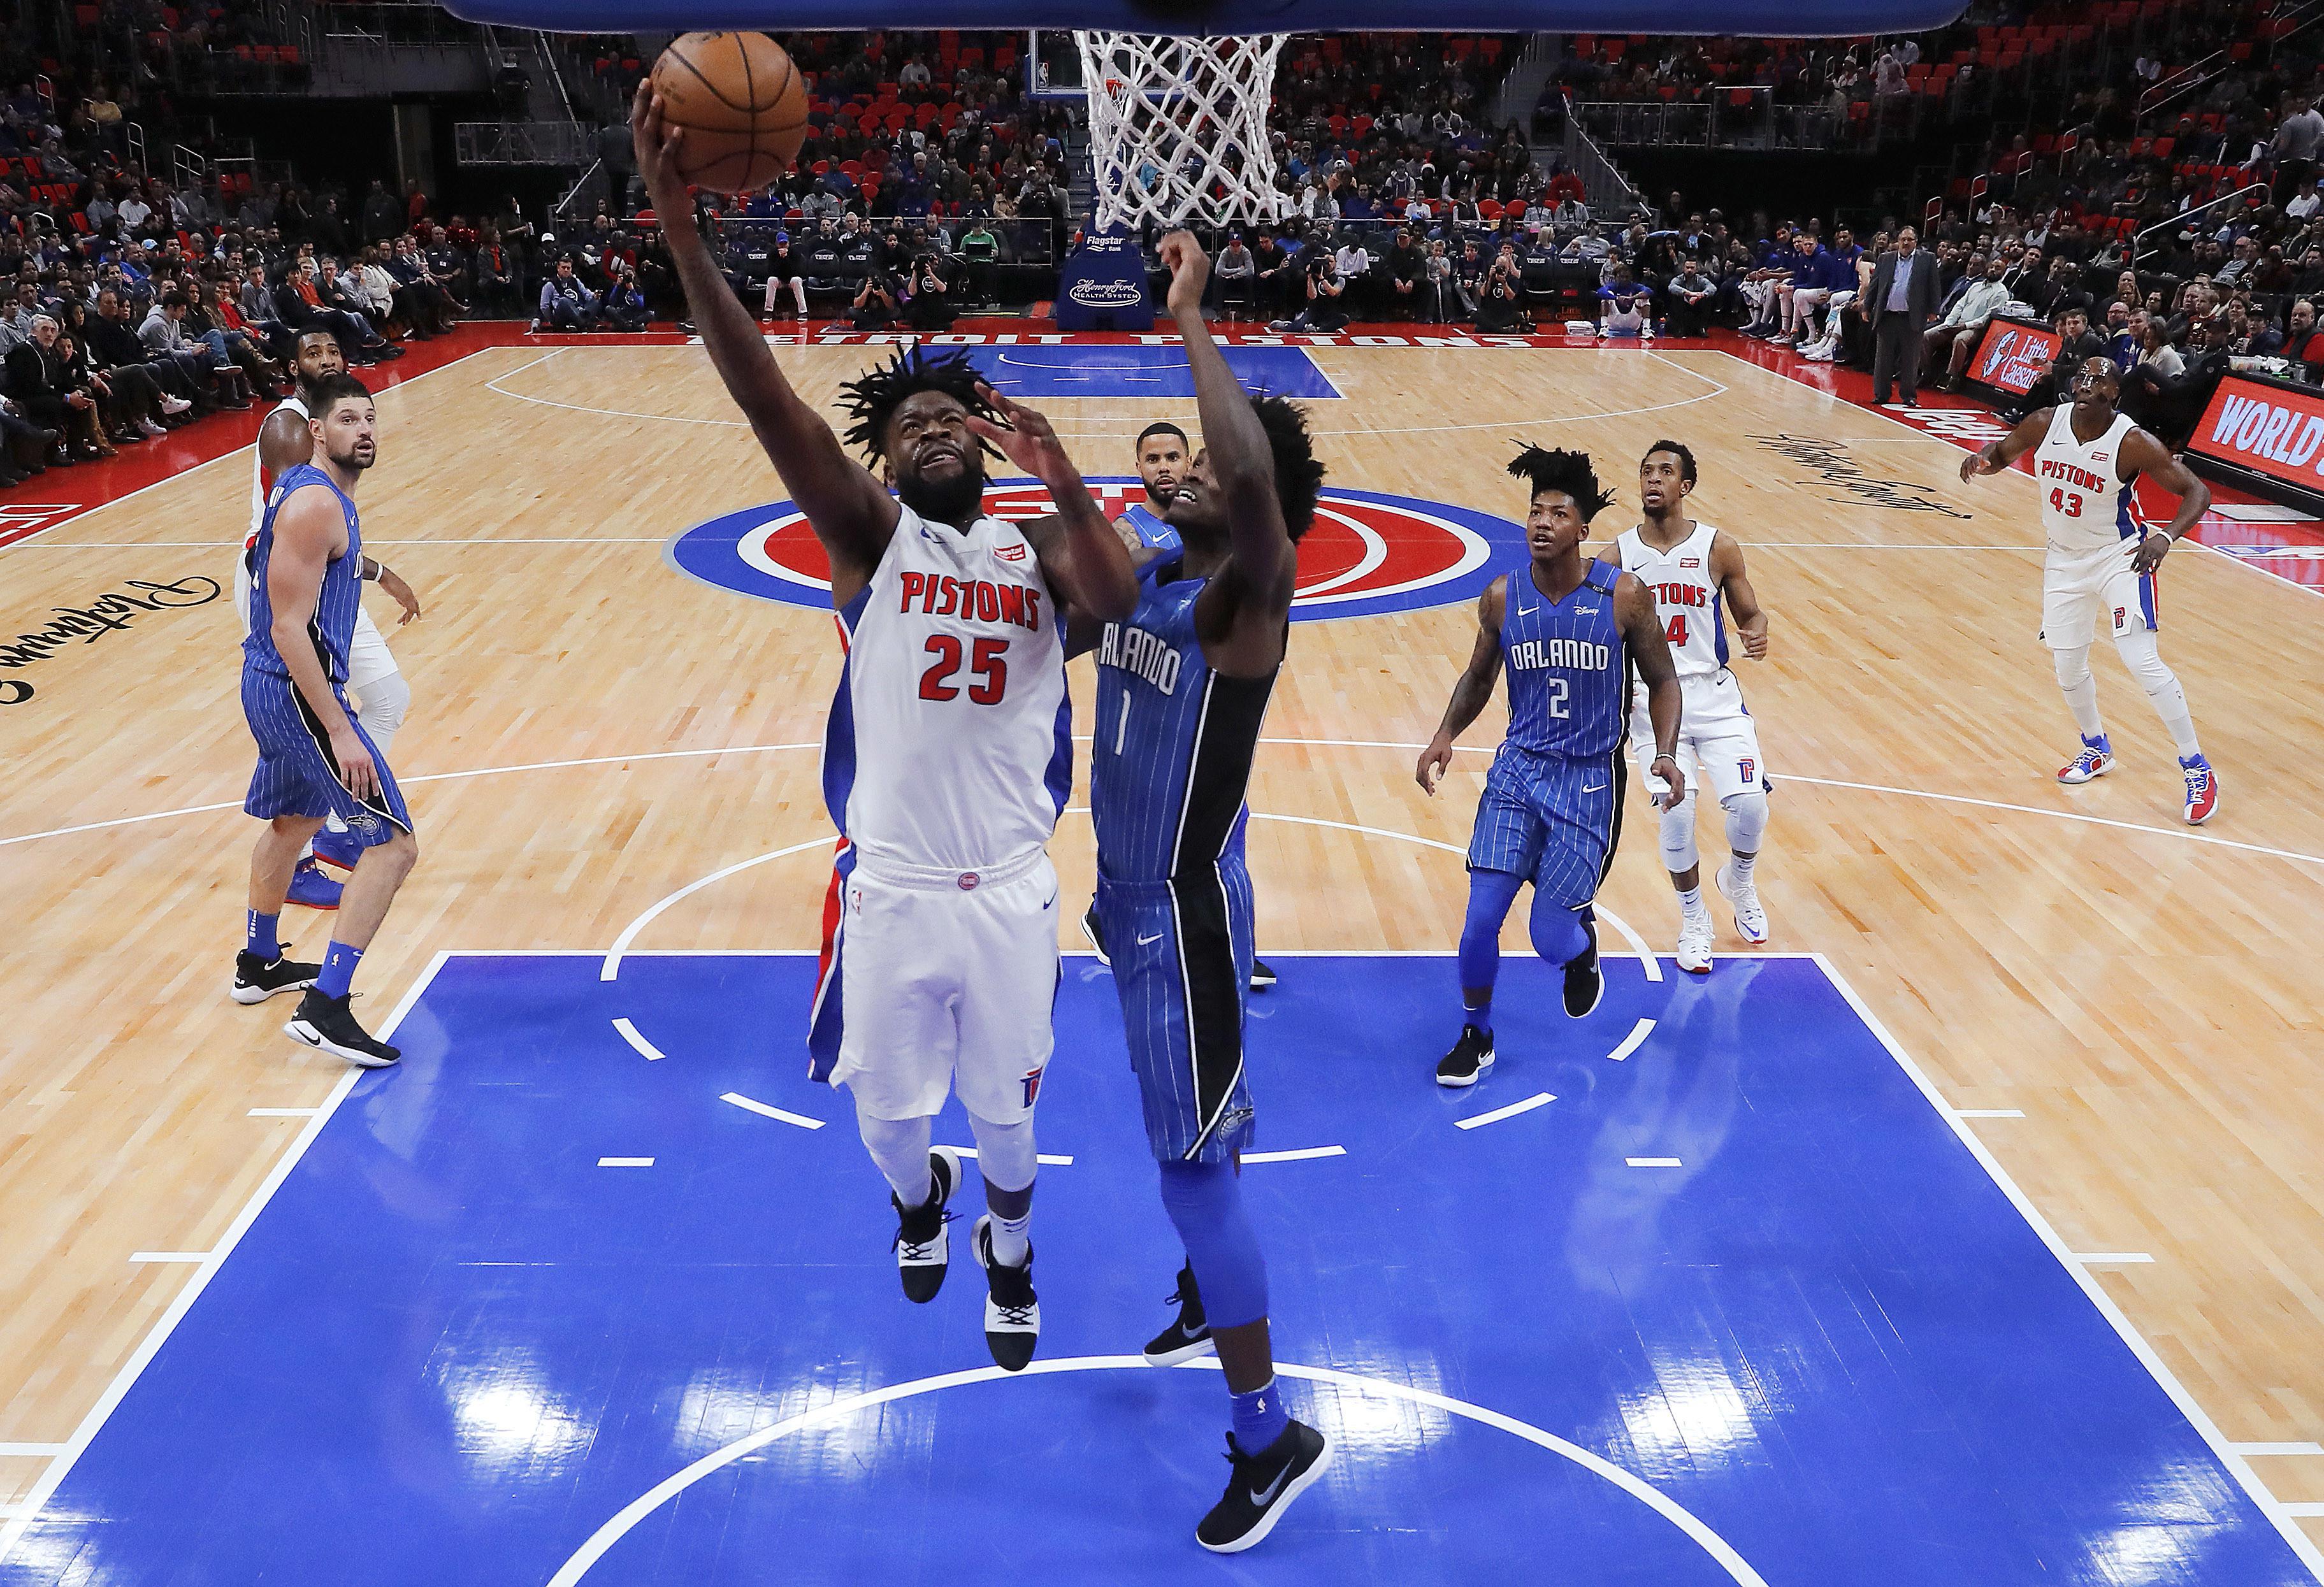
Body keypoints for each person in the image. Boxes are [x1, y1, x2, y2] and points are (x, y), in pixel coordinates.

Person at [633, 83, 1139, 1365]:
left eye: (946, 419)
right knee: (888, 1120)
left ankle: (1010, 1254)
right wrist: (681, 227)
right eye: (906, 426)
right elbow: (769, 400)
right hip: (896, 887)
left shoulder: (1040, 550)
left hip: (1010, 887)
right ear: (886, 461)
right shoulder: (873, 539)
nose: (927, 433)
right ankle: (920, 1205)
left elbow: (1120, 596)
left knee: (1010, 1120)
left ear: (982, 442)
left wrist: (1064, 475)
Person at [1090, 231, 1332, 1553]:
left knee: (1190, 1173)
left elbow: (1245, 483)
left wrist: (1190, 317)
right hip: (1128, 906)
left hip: (1179, 914)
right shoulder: (1148, 577)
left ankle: (1265, 1434)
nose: (1178, 471)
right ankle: (1207, 1285)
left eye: (1205, 469)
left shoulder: (1248, 600)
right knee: (1200, 1153)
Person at [1417, 445, 1683, 1085]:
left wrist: (1666, 753)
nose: (1541, 522)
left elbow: (1664, 680)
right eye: (1535, 511)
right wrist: (1444, 734)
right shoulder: (1501, 597)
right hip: (1517, 773)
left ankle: (1579, 947)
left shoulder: (1623, 596)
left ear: (1582, 529)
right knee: (1479, 920)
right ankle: (1476, 1034)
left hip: (1588, 781)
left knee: (1547, 938)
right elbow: (1478, 677)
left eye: (1557, 514)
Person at [235, 373, 421, 1066]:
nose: (363, 430)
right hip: (295, 690)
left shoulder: (318, 495)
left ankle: (258, 962)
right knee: (394, 847)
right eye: (347, 419)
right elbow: (288, 627)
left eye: (369, 418)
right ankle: (327, 1006)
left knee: (294, 823)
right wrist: (339, 726)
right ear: (316, 430)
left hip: (271, 686)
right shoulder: (315, 502)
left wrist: (380, 573)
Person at [1959, 356, 2219, 824]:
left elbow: (2197, 492)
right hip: (2063, 558)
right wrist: (1981, 460)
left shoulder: (2132, 442)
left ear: (2113, 393)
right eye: (2081, 376)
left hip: (2120, 557)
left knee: (2140, 660)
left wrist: (2165, 537)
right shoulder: (2045, 421)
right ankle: (2096, 747)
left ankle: (2196, 767)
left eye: (2097, 379)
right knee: (2067, 665)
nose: (2084, 384)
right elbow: (2001, 453)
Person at [1079, 419, 1279, 993]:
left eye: (1175, 457)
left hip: (1192, 690)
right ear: (1137, 468)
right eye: (1153, 459)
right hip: (1141, 696)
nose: (1165, 467)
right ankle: (1108, 912)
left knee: (1225, 817)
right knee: (1147, 822)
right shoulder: (1127, 535)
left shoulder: (1214, 538)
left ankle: (1232, 944)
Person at [243, 328, 423, 904]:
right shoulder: (288, 426)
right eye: (312, 352)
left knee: (388, 697)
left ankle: (339, 825)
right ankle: (302, 856)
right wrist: (376, 573)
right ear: (292, 365)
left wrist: (376, 572)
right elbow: (297, 532)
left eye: (332, 351)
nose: (325, 359)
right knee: (306, 713)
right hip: (283, 586)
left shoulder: (340, 422)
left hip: (326, 577)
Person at [1601, 442, 1772, 972]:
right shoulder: (1618, 555)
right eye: (1645, 471)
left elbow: (1750, 612)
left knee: (1750, 806)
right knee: (1676, 816)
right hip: (1651, 698)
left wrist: (1757, 630)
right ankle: (1694, 917)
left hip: (1712, 693)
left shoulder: (1717, 547)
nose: (1653, 479)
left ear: (1685, 486)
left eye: (1665, 472)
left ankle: (1738, 881)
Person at [1863, 226, 1941, 406]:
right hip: (1887, 315)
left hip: (1912, 316)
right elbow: (1875, 285)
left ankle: (1908, 395)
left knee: (1910, 359)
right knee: (1883, 359)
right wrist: (1867, 307)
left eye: (1910, 240)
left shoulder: (1927, 259)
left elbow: (1934, 286)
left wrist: (1933, 310)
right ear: (1898, 241)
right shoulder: (1885, 258)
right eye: (1903, 239)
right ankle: (1881, 394)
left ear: (1916, 242)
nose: (1906, 243)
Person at [761, 230, 807, 321]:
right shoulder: (773, 254)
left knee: (797, 280)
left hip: (791, 280)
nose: (783, 246)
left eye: (785, 243)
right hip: (779, 280)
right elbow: (771, 272)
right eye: (781, 244)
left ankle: (803, 312)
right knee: (771, 280)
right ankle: (768, 312)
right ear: (776, 244)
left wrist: (786, 259)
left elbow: (797, 272)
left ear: (789, 243)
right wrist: (780, 259)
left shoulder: (795, 253)